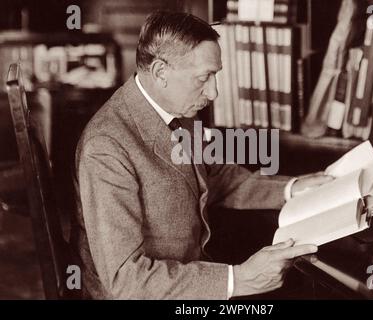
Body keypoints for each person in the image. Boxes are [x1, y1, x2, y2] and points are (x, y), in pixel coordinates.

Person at [71, 11, 332, 299]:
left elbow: (216, 175)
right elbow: (126, 281)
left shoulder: (178, 110)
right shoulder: (106, 146)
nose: (214, 91)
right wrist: (238, 279)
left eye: (215, 75)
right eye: (204, 77)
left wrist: (292, 189)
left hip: (187, 277)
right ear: (160, 72)